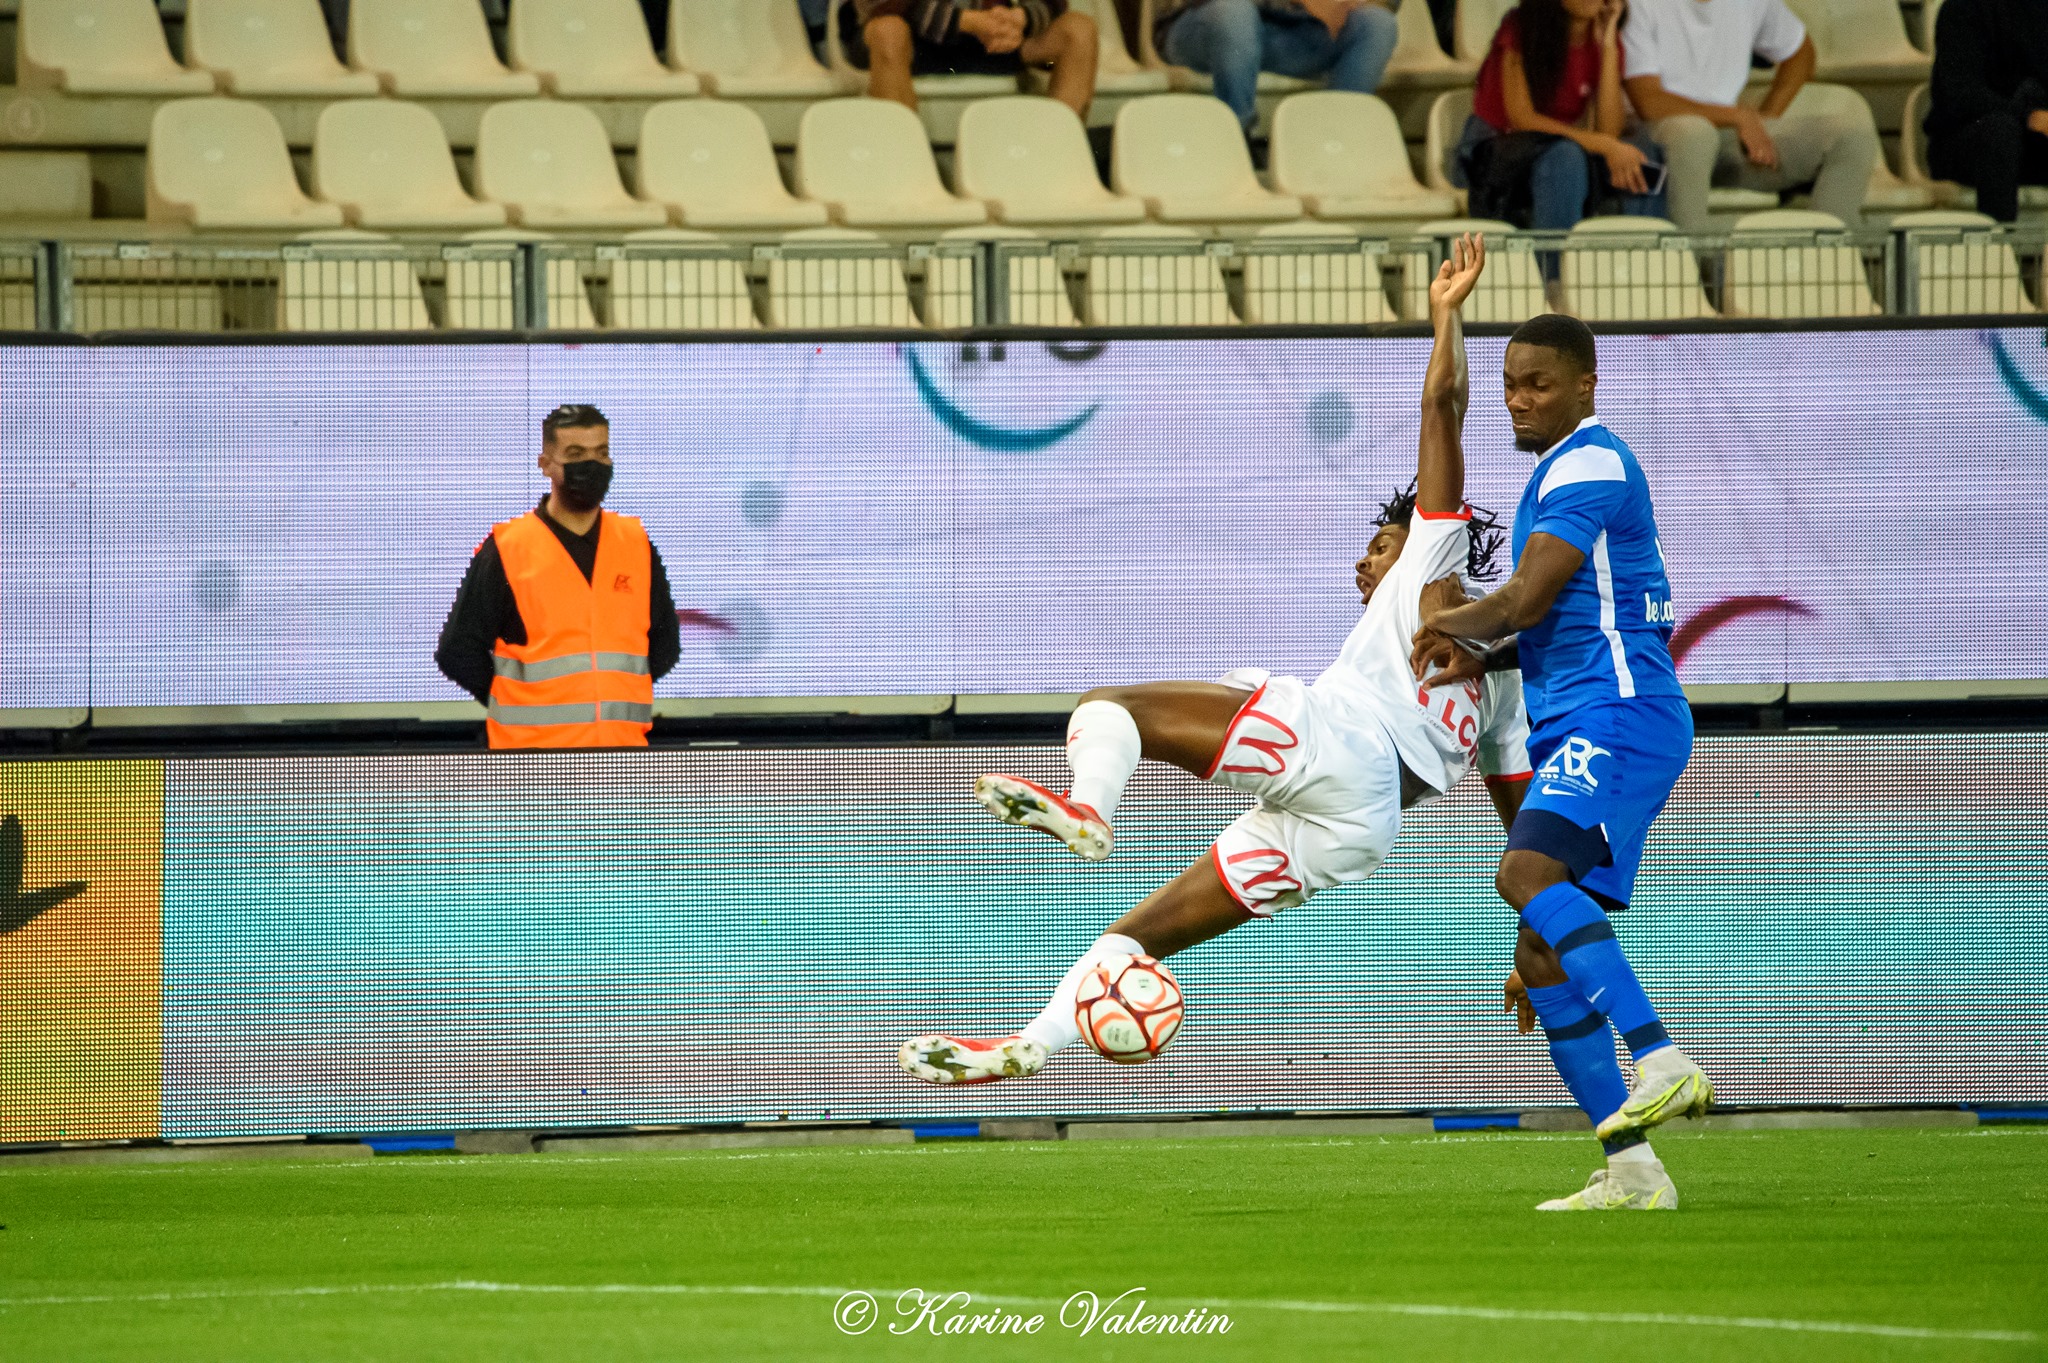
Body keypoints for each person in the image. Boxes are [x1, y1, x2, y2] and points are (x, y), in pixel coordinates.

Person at [899, 237, 1538, 1096]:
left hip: (1337, 744)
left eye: (1377, 545)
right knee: (1135, 939)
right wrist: (1537, 942)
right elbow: (1524, 826)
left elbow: (1445, 405)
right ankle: (1027, 1046)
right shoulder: (1503, 681)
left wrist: (1447, 316)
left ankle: (1091, 806)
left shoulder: (1435, 550)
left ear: (1419, 533)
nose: (1364, 564)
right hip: (1361, 829)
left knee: (1108, 708)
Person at [1412, 312, 1711, 1212]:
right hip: (1585, 716)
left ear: (1586, 383)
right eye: (1509, 383)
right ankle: (1634, 1172)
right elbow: (1552, 617)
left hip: (1619, 713)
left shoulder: (1588, 459)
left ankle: (1661, 1053)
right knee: (1542, 954)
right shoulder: (1559, 471)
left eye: (1537, 382)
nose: (1518, 398)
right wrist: (1483, 652)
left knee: (1525, 871)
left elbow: (1526, 596)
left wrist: (1435, 617)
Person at [436, 404, 681, 750]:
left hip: (622, 755)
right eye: (576, 454)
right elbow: (457, 650)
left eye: (602, 453)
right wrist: (517, 700)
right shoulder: (509, 548)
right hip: (531, 762)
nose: (591, 465)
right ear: (545, 463)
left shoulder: (635, 544)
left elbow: (665, 646)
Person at [1620, 0, 1877, 234]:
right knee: (1694, 134)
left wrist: (1767, 118)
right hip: (1655, 135)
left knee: (1850, 132)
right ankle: (1686, 268)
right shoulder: (1640, 4)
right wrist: (1739, 116)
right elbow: (1649, 102)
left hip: (1725, 134)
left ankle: (1828, 261)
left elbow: (1801, 53)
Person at [1454, 0, 1669, 233]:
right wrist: (1603, 145)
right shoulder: (1520, 26)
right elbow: (1522, 119)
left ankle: (1642, 263)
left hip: (1559, 145)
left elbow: (1609, 131)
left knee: (1643, 161)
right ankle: (1556, 267)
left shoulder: (1602, 36)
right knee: (1566, 159)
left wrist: (1607, 45)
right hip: (1495, 147)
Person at [1154, 0, 1403, 135]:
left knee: (1378, 24)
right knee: (1234, 12)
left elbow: (1387, 3)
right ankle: (1235, 140)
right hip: (1206, 28)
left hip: (1294, 37)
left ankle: (1336, 139)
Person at [845, 1, 1100, 119]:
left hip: (994, 38)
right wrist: (968, 22)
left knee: (1078, 30)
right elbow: (886, 5)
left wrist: (1021, 18)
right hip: (912, 38)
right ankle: (900, 163)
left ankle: (1057, 158)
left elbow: (1054, 3)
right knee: (887, 31)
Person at [1924, 0, 2048, 224]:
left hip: (2032, 143)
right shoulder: (1962, 8)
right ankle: (1998, 252)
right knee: (2000, 133)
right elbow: (1961, 94)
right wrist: (2029, 116)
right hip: (1965, 140)